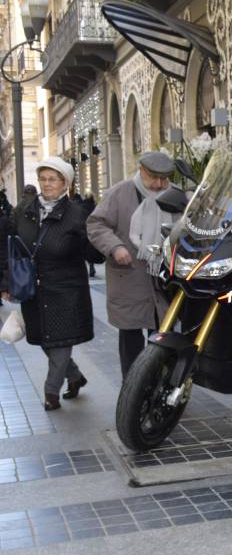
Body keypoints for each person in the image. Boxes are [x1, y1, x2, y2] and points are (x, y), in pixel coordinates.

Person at [0, 158, 102, 410]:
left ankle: (51, 393)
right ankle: (75, 376)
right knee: (45, 339)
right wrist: (6, 281)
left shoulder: (77, 214)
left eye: (52, 179)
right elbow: (10, 248)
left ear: (65, 183)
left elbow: (95, 254)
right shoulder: (25, 211)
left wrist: (95, 240)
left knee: (60, 342)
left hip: (66, 290)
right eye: (43, 179)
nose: (46, 184)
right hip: (33, 290)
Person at [87, 151, 177, 378]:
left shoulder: (175, 195)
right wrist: (115, 247)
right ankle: (132, 387)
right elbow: (96, 225)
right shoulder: (120, 193)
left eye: (164, 179)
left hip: (164, 279)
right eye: (154, 178)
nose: (159, 185)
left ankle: (161, 385)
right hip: (130, 278)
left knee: (163, 336)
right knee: (131, 339)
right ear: (142, 171)